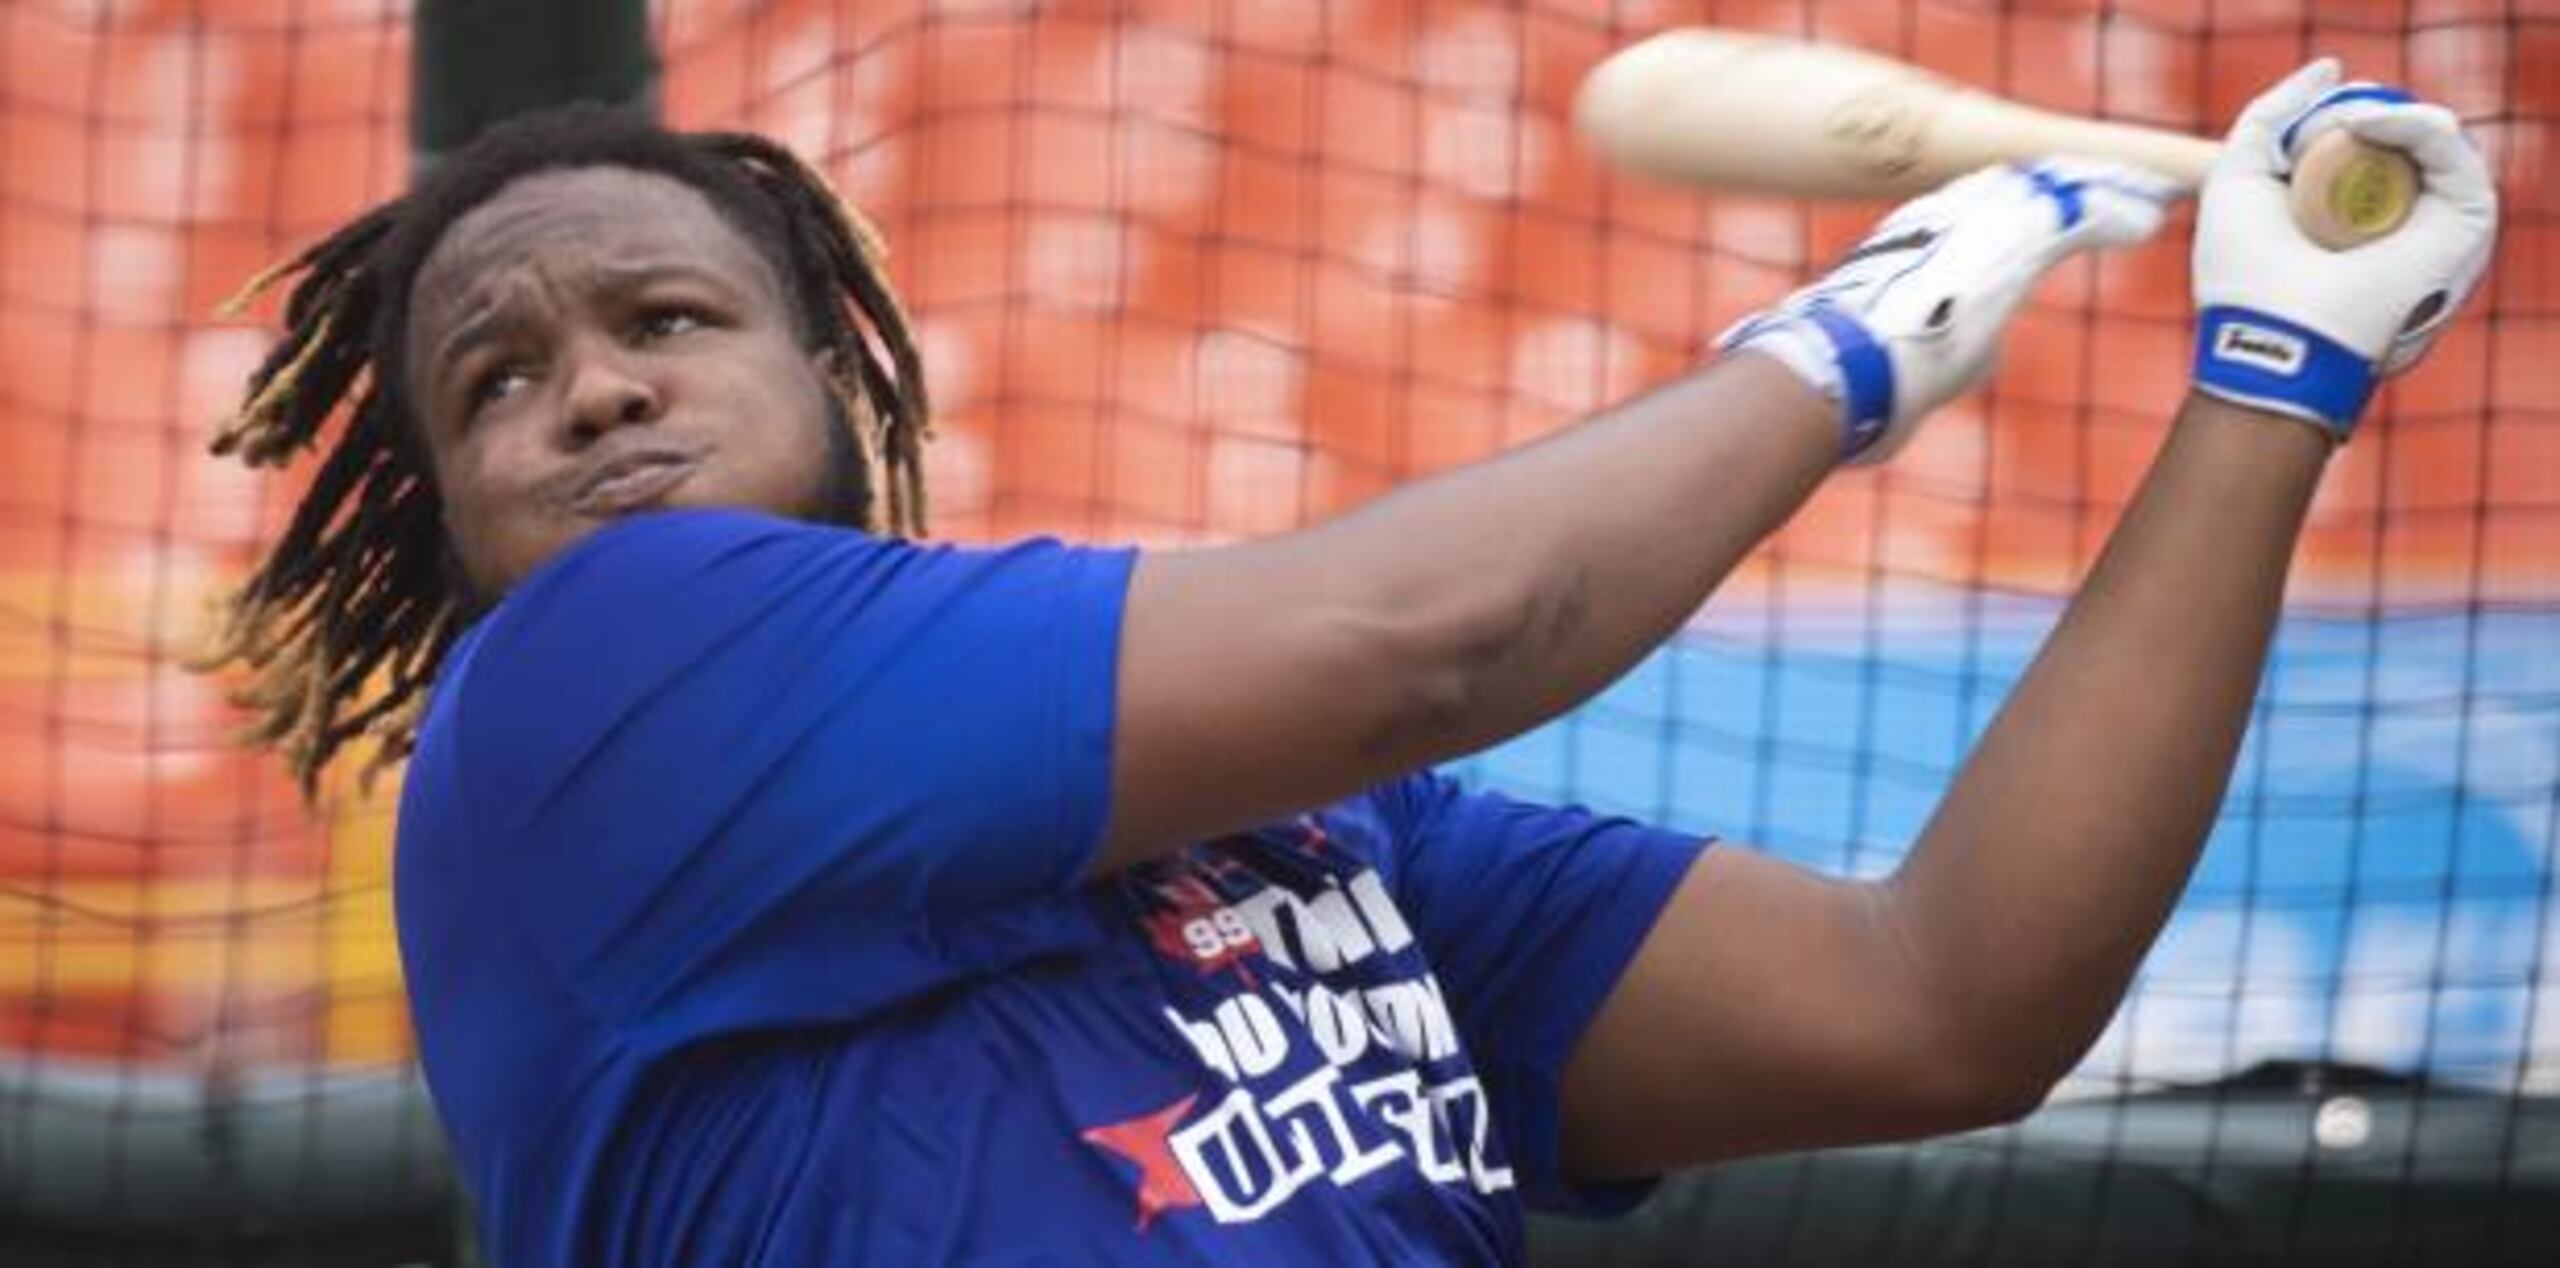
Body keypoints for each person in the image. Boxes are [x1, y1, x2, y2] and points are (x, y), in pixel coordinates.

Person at [197, 60, 2493, 1266]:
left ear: (838, 382)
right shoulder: (593, 685)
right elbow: (1436, 629)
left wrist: (2272, 380)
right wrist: (1859, 342)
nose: (589, 390)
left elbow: (1942, 997)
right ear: (467, 518)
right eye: (496, 382)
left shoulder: (1287, 833)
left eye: (664, 320)